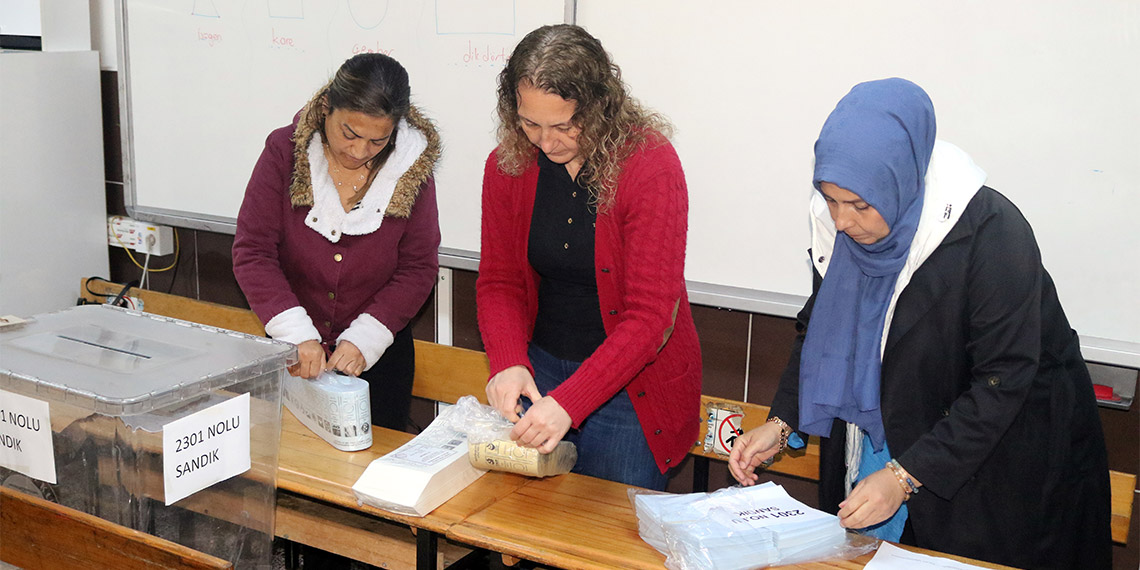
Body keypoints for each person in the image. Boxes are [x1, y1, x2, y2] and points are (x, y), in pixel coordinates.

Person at [728, 78, 1111, 569]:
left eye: (859, 205)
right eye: (830, 199)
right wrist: (781, 424)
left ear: (900, 182)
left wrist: (905, 475)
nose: (841, 220)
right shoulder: (844, 227)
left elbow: (1003, 380)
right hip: (887, 448)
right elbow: (821, 333)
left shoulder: (991, 233)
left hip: (1001, 471)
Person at [476, 24, 702, 491]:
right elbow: (500, 281)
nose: (545, 142)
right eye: (530, 123)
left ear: (599, 107)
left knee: (608, 527)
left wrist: (571, 401)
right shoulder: (508, 165)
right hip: (539, 371)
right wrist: (508, 360)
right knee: (528, 521)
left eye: (564, 126)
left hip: (630, 392)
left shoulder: (648, 166)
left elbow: (650, 317)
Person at [233, 53, 441, 432]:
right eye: (349, 133)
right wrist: (296, 334)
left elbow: (418, 268)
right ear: (327, 107)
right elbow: (253, 252)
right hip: (292, 350)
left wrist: (366, 339)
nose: (359, 151)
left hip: (379, 358)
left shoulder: (410, 167)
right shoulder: (285, 152)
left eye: (378, 140)